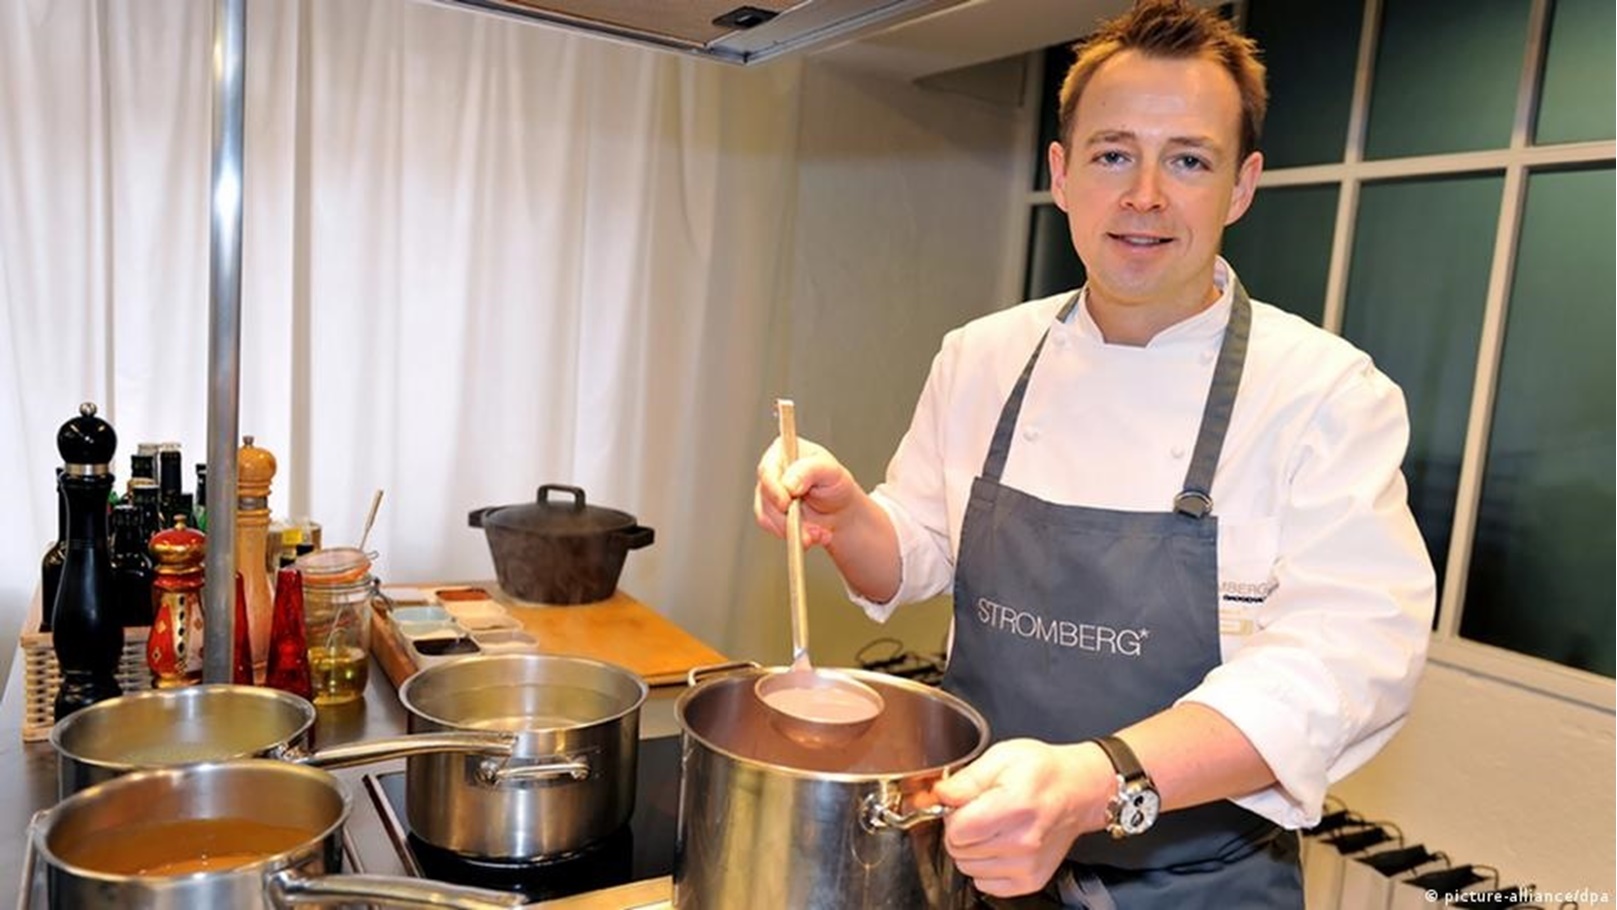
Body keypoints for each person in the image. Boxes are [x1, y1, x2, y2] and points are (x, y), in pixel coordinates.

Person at [752, 1, 1436, 906]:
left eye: (1187, 160)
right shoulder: (981, 356)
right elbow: (914, 551)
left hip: (1197, 886)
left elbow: (1345, 661)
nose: (1143, 195)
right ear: (1061, 172)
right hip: (982, 859)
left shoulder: (1322, 394)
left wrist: (1098, 779)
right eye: (1113, 154)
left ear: (1240, 186)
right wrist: (846, 519)